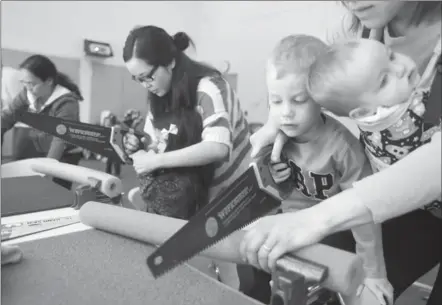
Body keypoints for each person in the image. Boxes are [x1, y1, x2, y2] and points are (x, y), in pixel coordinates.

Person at [240, 1, 442, 304]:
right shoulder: (354, 30)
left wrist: (316, 219)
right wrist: (275, 123)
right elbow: (308, 81)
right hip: (407, 206)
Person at [241, 34, 392, 305]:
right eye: (276, 101)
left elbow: (365, 218)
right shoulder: (275, 138)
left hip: (332, 233)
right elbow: (265, 192)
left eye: (298, 100)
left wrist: (374, 275)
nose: (285, 112)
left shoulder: (343, 149)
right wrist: (269, 171)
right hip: (287, 229)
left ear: (320, 97)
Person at [121, 25, 251, 286]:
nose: (145, 85)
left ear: (169, 62)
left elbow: (217, 147)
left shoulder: (209, 86)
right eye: (137, 80)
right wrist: (138, 144)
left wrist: (156, 160)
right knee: (193, 257)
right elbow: (154, 139)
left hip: (227, 187)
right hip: (194, 186)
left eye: (147, 76)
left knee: (224, 259)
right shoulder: (158, 93)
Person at [1, 55, 84, 190]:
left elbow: (60, 140)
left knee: (54, 190)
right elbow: (8, 116)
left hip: (66, 153)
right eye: (24, 82)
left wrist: (48, 170)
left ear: (49, 81)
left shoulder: (67, 102)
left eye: (32, 84)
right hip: (42, 147)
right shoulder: (27, 94)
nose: (27, 88)